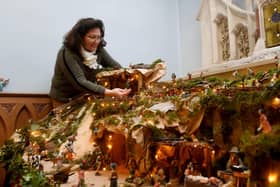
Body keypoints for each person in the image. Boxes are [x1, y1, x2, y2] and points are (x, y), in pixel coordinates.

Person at [49, 18, 131, 107]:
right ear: (80, 37)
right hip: (64, 101)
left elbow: (116, 67)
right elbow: (80, 82)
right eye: (92, 37)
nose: (96, 42)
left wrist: (129, 76)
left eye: (99, 37)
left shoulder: (99, 50)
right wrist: (109, 92)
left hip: (86, 98)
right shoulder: (67, 53)